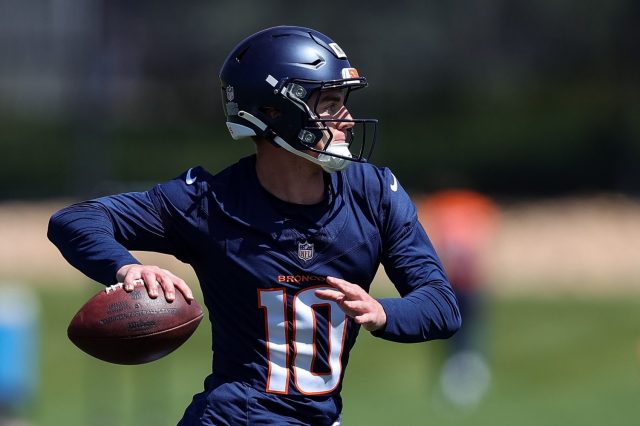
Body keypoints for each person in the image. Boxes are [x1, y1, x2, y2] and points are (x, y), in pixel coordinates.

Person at [48, 26, 461, 425]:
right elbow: (76, 220)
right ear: (272, 111)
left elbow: (442, 306)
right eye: (329, 104)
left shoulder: (373, 193)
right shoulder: (211, 201)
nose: (347, 120)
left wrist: (382, 312)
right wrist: (126, 267)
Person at [418, 190, 498, 408]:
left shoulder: (470, 208)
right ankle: (454, 378)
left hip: (466, 284)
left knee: (467, 335)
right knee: (451, 336)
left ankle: (467, 378)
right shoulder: (450, 209)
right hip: (451, 284)